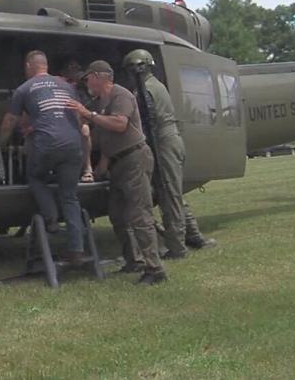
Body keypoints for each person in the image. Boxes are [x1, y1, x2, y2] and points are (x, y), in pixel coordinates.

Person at [66, 61, 167, 285]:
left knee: (139, 215)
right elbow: (106, 141)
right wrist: (99, 169)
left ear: (100, 77)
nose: (87, 82)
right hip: (117, 163)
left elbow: (120, 125)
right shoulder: (100, 102)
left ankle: (155, 269)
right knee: (117, 215)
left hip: (134, 159)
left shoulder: (120, 95)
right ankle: (135, 260)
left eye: (88, 78)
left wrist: (88, 114)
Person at [122, 49, 216, 259]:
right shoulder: (156, 85)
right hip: (171, 138)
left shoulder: (144, 90)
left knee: (169, 194)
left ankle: (177, 247)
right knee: (174, 192)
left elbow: (149, 123)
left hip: (162, 141)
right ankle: (193, 236)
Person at [0, 51, 85, 264]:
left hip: (48, 144)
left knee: (36, 177)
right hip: (73, 144)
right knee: (70, 195)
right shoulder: (67, 86)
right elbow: (79, 115)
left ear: (28, 66)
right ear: (45, 66)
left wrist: (0, 143)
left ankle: (50, 217)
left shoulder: (24, 89)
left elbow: (10, 121)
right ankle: (77, 249)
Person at [58, 58, 95, 183]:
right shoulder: (57, 85)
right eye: (72, 68)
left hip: (81, 122)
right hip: (58, 121)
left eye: (78, 68)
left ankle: (87, 169)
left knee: (85, 131)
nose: (76, 72)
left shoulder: (84, 89)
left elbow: (89, 108)